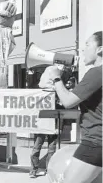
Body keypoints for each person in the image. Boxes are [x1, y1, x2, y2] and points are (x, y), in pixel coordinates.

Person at [40, 31, 102, 183]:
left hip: (95, 142)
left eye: (87, 45)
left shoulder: (96, 73)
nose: (83, 49)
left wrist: (55, 77)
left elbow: (68, 102)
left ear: (100, 49)